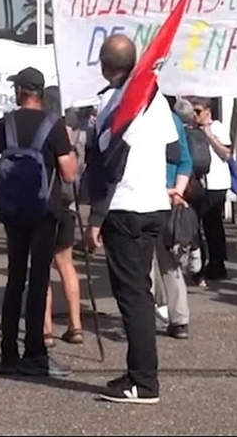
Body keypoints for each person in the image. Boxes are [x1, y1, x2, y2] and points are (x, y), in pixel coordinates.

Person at [86, 35, 179, 405]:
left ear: (105, 67)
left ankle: (144, 382)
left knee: (133, 297)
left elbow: (107, 166)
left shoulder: (112, 103)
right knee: (138, 289)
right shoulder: (156, 99)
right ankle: (136, 371)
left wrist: (94, 218)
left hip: (124, 207)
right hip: (154, 202)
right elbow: (173, 150)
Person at [0, 67, 77, 377]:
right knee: (38, 279)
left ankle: (7, 352)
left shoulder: (5, 124)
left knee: (14, 279)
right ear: (39, 93)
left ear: (21, 91)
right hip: (44, 210)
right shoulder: (54, 125)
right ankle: (35, 352)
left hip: (13, 209)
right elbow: (69, 174)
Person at [44, 88, 83, 347]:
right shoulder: (78, 134)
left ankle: (46, 329)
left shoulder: (47, 130)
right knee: (66, 265)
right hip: (67, 203)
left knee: (42, 269)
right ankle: (75, 324)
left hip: (46, 204)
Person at [154, 99, 194, 340]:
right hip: (169, 198)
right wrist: (177, 192)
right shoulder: (174, 120)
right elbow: (185, 161)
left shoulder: (135, 116)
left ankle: (148, 316)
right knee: (170, 261)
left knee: (146, 262)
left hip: (144, 199)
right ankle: (179, 320)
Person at [186, 98, 232, 284]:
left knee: (213, 225)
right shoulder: (189, 130)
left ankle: (217, 264)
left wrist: (210, 135)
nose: (195, 115)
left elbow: (226, 153)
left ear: (207, 111)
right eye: (193, 112)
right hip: (198, 184)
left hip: (216, 184)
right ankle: (200, 265)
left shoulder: (218, 127)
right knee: (195, 226)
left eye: (198, 111)